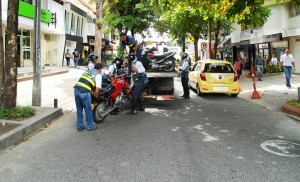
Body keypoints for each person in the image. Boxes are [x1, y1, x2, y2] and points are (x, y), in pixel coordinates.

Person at [74, 63, 103, 131]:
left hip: (76, 90)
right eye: (101, 69)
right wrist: (96, 96)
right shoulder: (98, 74)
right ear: (100, 69)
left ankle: (79, 126)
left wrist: (91, 91)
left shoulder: (88, 71)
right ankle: (90, 126)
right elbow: (98, 88)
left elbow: (85, 82)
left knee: (79, 109)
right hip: (84, 92)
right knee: (88, 110)